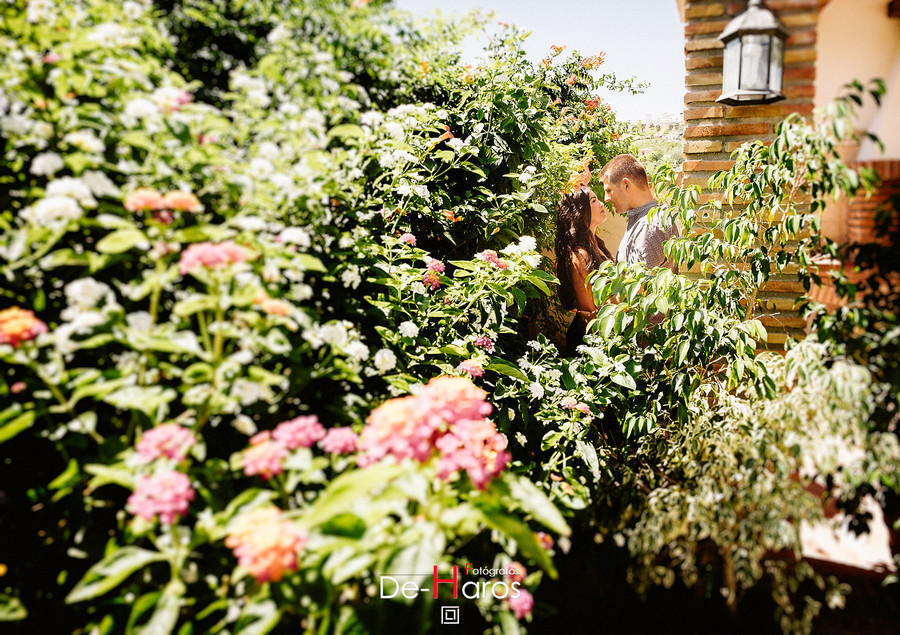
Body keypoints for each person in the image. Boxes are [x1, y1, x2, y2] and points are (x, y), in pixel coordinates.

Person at [555, 184, 614, 356]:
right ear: (580, 212)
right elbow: (589, 313)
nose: (601, 204)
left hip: (603, 333)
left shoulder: (598, 245)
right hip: (589, 342)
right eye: (594, 201)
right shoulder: (580, 254)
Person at [599, 154, 678, 269]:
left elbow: (639, 285)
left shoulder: (649, 225)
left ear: (626, 185)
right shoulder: (647, 218)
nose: (606, 198)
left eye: (609, 190)